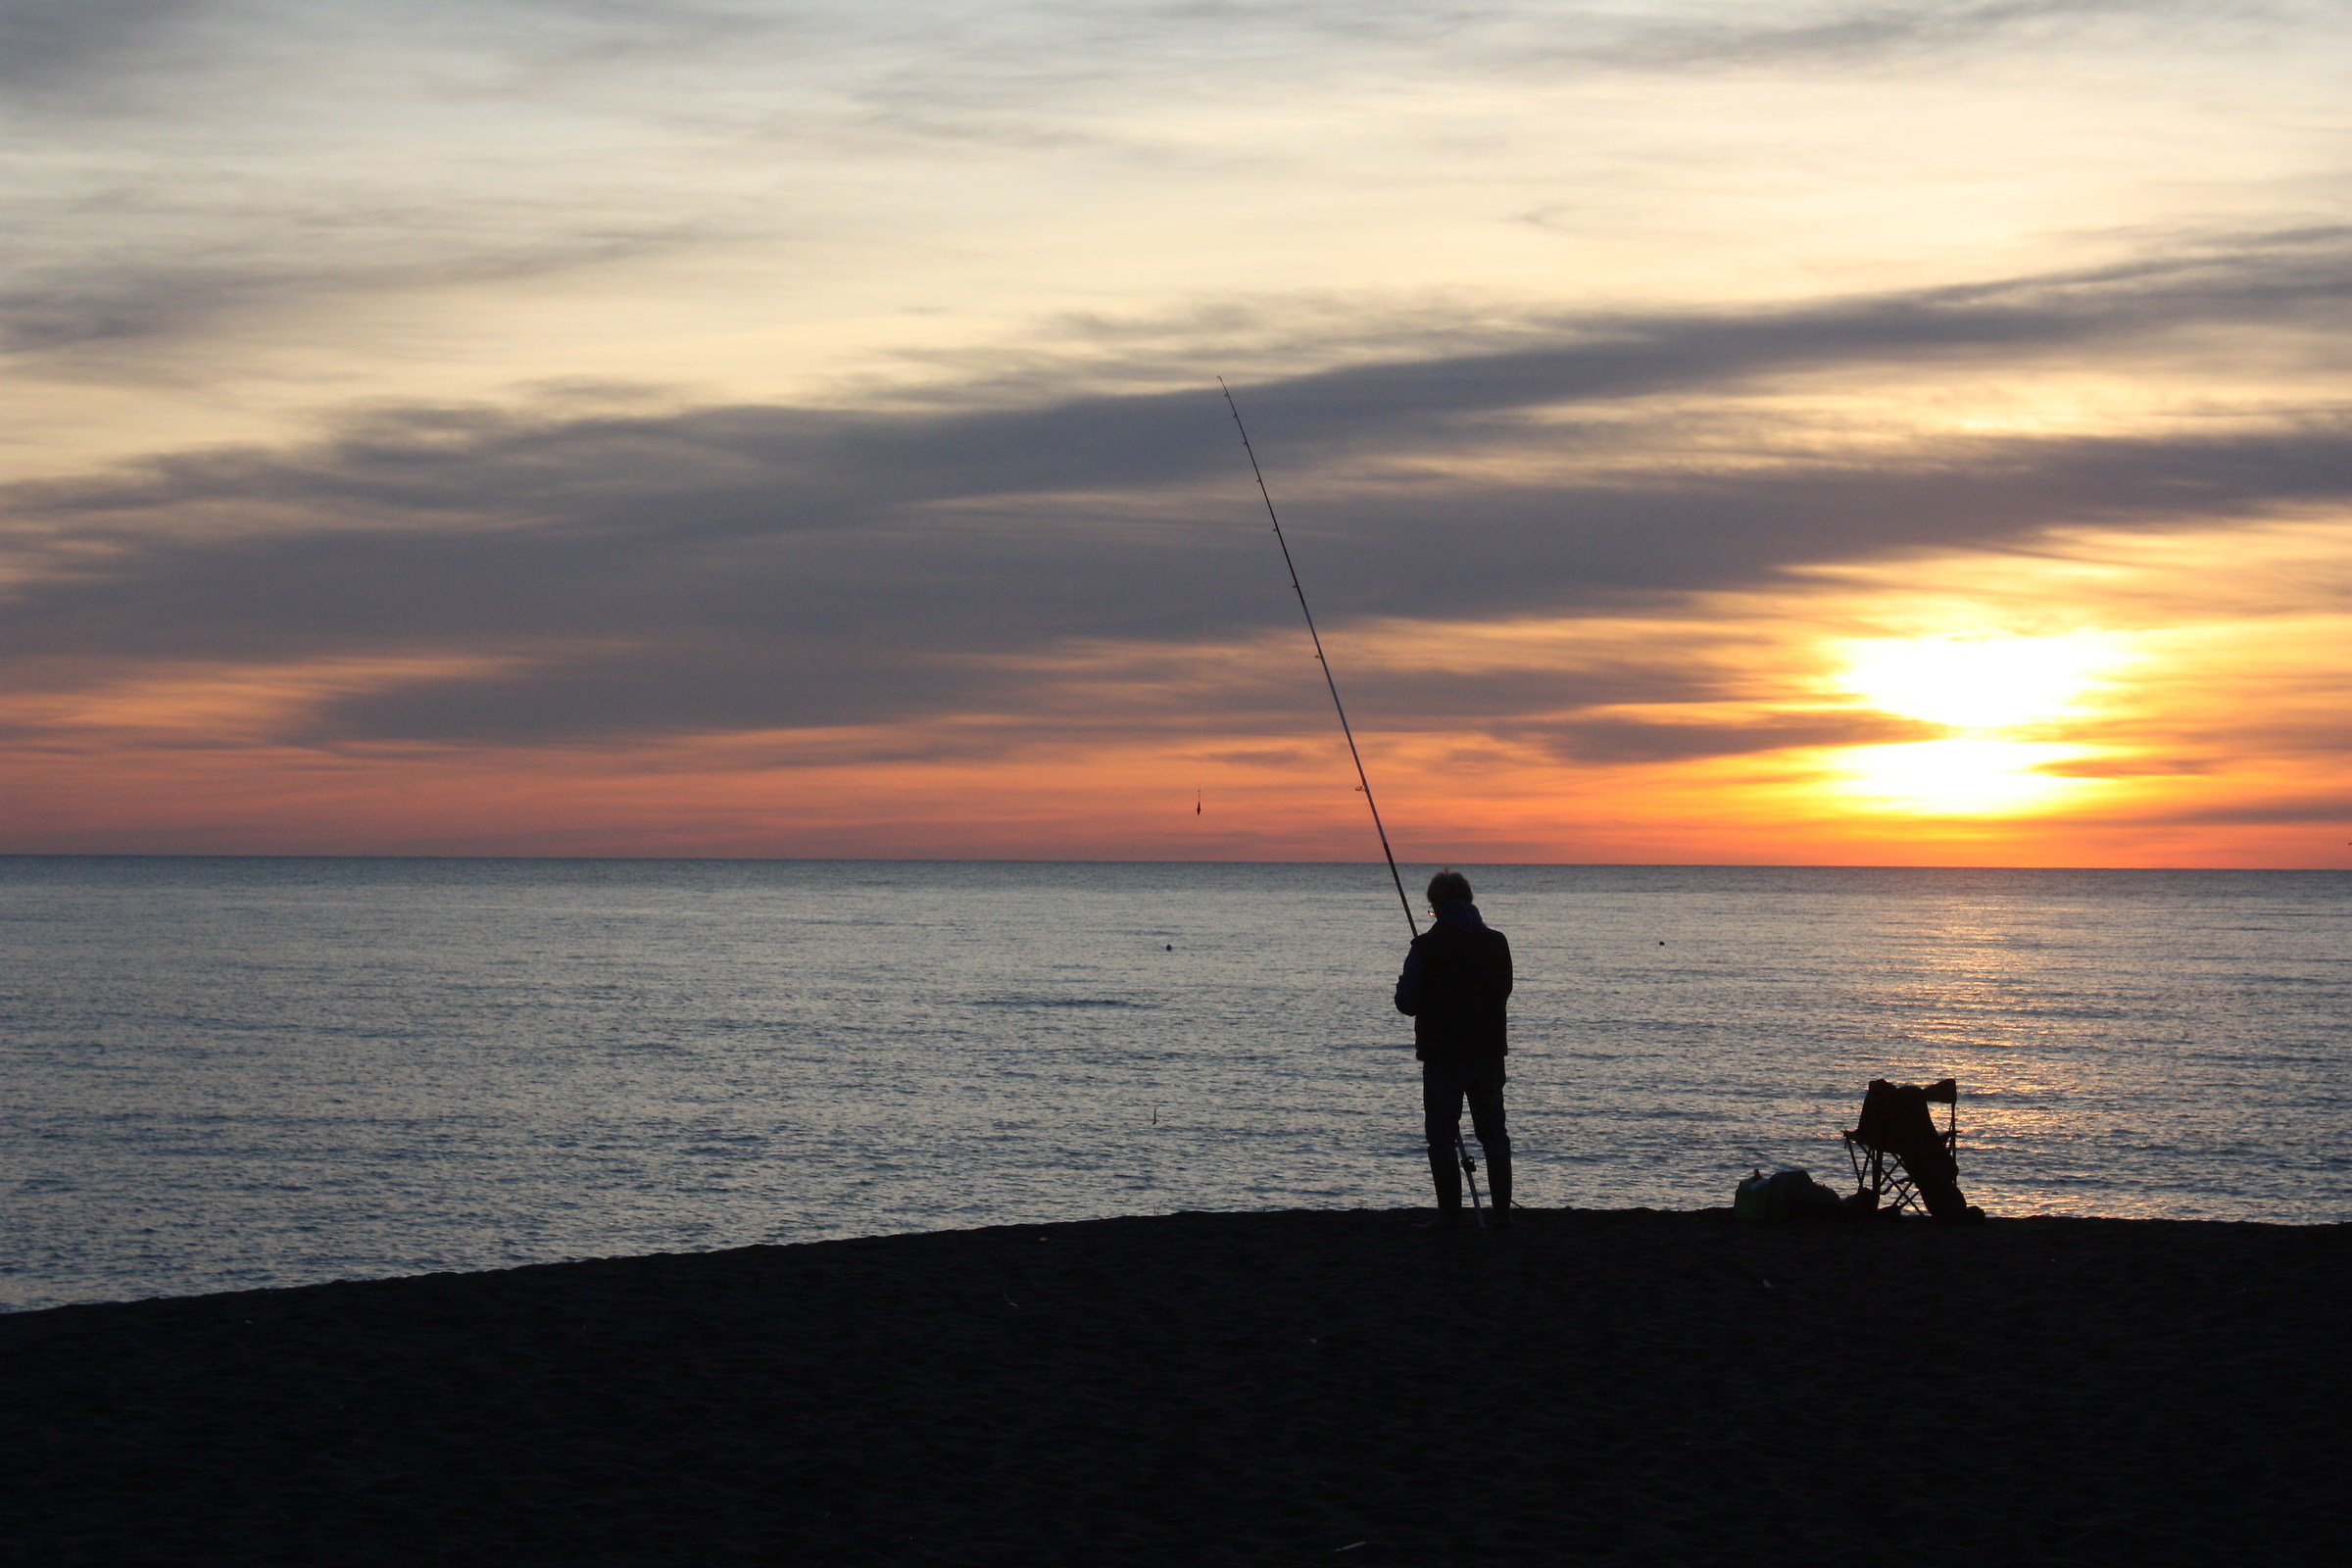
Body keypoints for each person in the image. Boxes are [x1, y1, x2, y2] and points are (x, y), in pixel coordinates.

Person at [1394, 868, 1514, 1228]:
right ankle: (1502, 1215)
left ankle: (1449, 1216)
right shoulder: (1497, 943)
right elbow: (1503, 990)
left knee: (1442, 1137)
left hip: (1443, 1055)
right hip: (1488, 1053)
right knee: (1493, 1133)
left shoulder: (1426, 948)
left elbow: (1407, 1002)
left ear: (1438, 905)